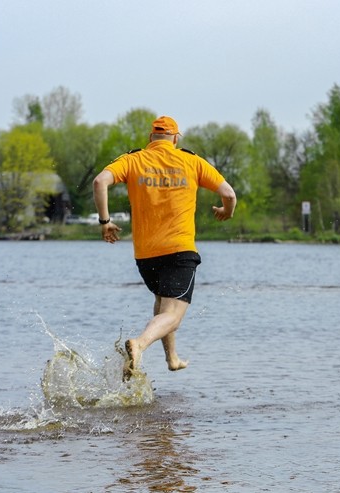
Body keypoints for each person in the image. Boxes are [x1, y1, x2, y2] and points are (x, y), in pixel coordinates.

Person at [92, 115, 237, 381]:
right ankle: (140, 344)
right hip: (179, 250)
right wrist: (226, 212)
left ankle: (172, 358)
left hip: (145, 256)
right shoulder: (192, 161)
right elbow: (229, 194)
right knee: (173, 315)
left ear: (150, 138)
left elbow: (100, 182)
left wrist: (105, 221)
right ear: (175, 138)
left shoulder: (133, 160)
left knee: (162, 302)